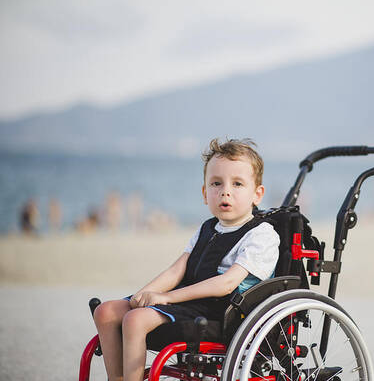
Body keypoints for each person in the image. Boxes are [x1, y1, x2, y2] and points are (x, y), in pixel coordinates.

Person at [92, 138, 279, 381]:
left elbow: (226, 284)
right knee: (106, 312)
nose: (225, 191)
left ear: (257, 194)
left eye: (238, 184)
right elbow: (177, 270)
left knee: (135, 320)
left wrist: (166, 297)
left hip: (222, 310)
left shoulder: (261, 234)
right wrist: (145, 293)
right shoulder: (208, 228)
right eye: (216, 183)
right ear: (204, 193)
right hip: (188, 300)